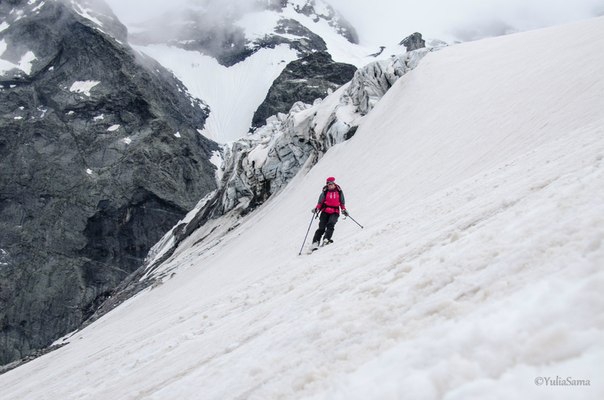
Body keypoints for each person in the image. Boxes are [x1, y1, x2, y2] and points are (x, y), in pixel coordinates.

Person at [311, 176, 349, 249]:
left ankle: (326, 239)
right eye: (328, 183)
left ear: (334, 183)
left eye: (331, 183)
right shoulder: (325, 192)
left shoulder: (339, 191)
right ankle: (315, 243)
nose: (330, 185)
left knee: (330, 224)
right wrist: (317, 208)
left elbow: (342, 202)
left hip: (335, 211)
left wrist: (343, 209)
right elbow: (320, 202)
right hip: (325, 211)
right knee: (321, 227)